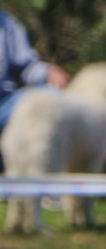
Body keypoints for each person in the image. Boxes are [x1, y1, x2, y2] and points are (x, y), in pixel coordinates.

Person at [0, 10, 70, 172]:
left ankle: (37, 171)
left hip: (5, 105)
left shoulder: (7, 24)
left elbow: (28, 66)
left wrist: (49, 73)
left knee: (50, 96)